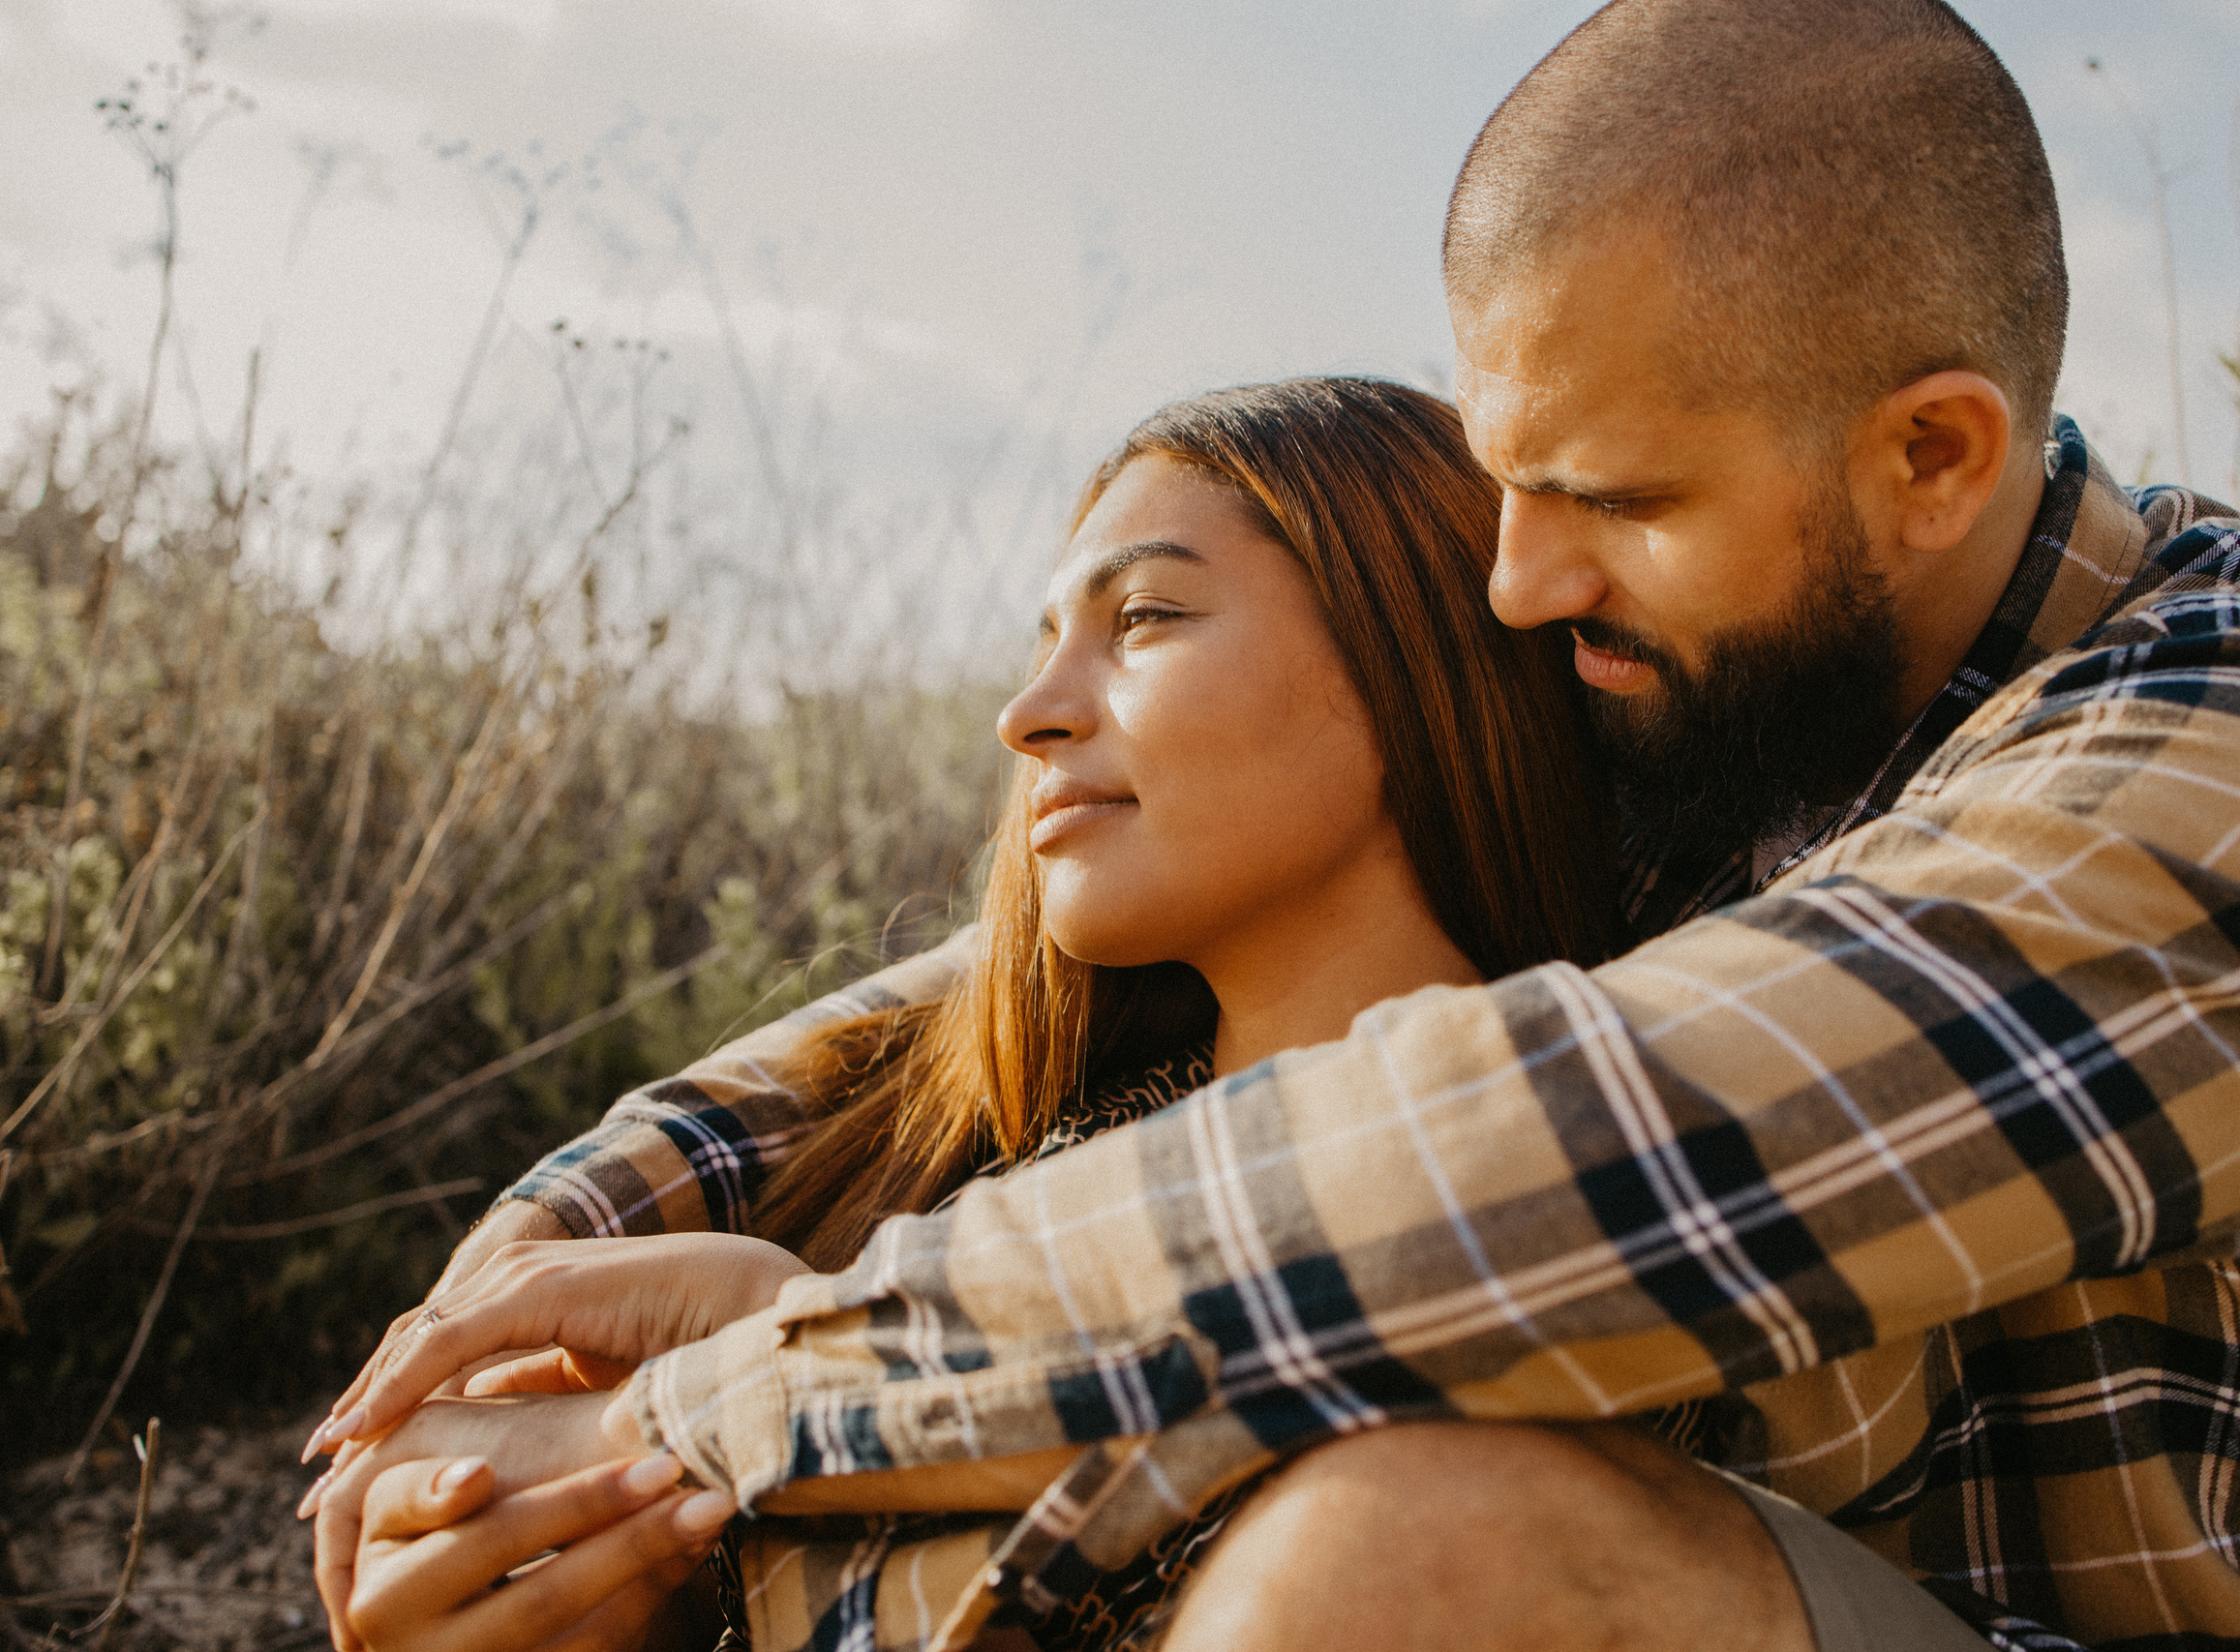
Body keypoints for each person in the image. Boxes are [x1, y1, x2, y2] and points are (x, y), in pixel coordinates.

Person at [311, 1, 2240, 1648]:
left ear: (1928, 455)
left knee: (1421, 1537)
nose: (1514, 585)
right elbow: (980, 995)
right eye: (1504, 473)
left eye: (1607, 500)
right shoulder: (1742, 688)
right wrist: (548, 1274)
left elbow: (1502, 1184)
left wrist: (710, 1421)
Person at [303, 375, 1621, 1649]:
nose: (1028, 715)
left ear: (1411, 662)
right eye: (1044, 644)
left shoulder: (1592, 1200)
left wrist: (772, 1382)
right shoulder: (1003, 1157)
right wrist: (609, 1575)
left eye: (1148, 616)